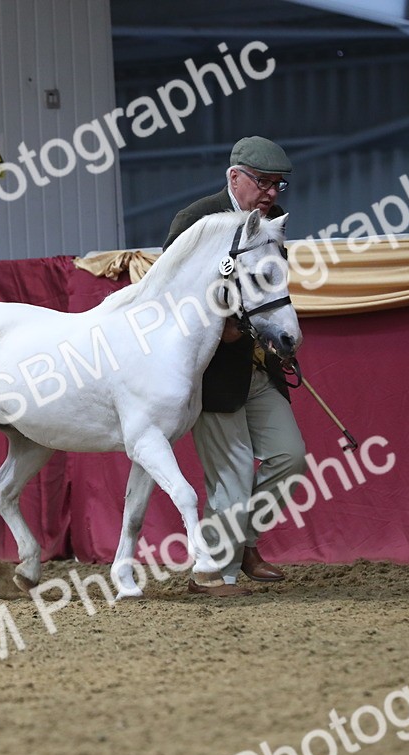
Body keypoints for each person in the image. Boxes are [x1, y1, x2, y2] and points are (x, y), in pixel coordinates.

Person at [164, 135, 307, 598]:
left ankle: (243, 542)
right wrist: (221, 324)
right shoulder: (196, 220)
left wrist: (276, 335)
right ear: (234, 177)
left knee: (290, 456)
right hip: (212, 374)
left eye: (277, 183)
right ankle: (215, 576)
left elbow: (270, 292)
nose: (271, 191)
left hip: (258, 368)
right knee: (233, 473)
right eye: (263, 181)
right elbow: (167, 297)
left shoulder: (270, 223)